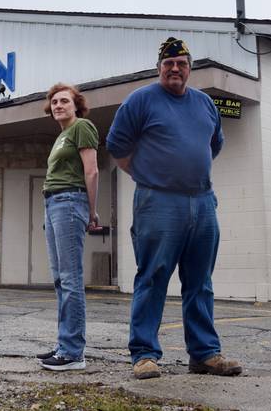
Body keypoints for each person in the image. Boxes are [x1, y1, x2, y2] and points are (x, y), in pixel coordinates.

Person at [106, 37, 242, 379]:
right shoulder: (140, 101)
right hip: (158, 201)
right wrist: (148, 175)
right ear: (159, 68)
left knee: (200, 281)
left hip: (202, 201)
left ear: (190, 68)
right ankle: (144, 354)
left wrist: (189, 173)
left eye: (181, 63)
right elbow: (117, 146)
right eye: (169, 64)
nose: (175, 69)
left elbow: (214, 145)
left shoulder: (205, 104)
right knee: (152, 276)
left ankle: (205, 354)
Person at [37, 82, 100, 371]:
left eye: (64, 100)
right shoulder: (62, 137)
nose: (58, 105)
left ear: (76, 105)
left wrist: (92, 210)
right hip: (53, 204)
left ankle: (74, 353)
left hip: (70, 202)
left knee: (70, 278)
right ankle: (65, 345)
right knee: (60, 279)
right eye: (54, 102)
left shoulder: (81, 127)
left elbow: (92, 170)